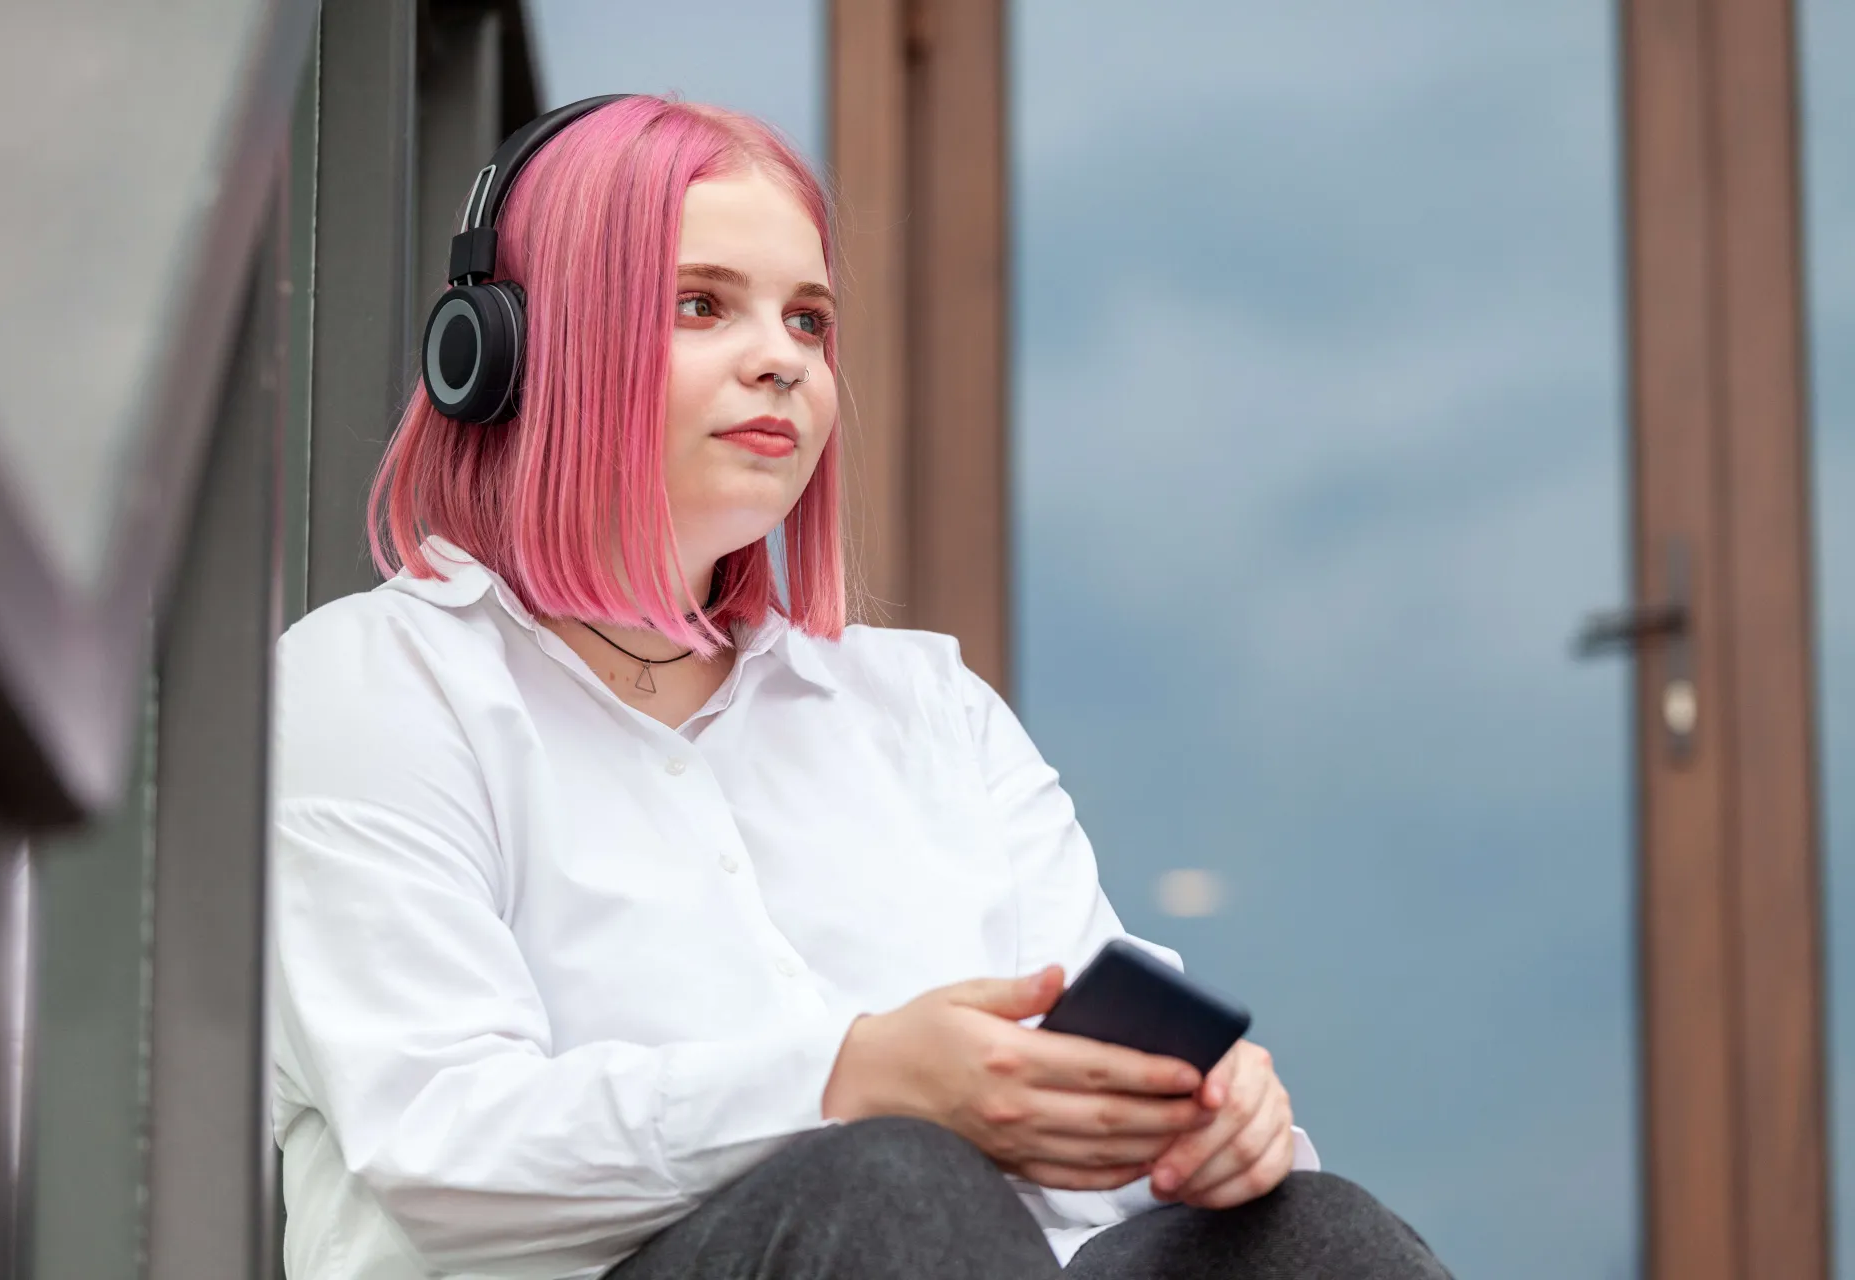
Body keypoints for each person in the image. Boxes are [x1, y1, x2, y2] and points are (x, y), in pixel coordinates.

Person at [269, 93, 1451, 1280]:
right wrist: (848, 1077)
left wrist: (1197, 1119)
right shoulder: (373, 685)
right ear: (509, 351)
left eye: (809, 319)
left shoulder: (926, 708)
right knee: (891, 1178)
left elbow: (1094, 1100)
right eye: (702, 304)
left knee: (1313, 1230)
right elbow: (436, 1149)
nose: (781, 356)